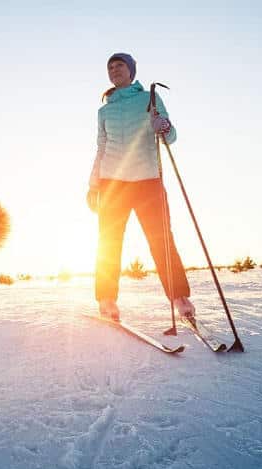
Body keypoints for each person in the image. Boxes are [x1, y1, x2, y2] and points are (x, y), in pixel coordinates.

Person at [86, 52, 195, 321]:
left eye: (119, 65)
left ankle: (179, 297)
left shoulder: (150, 98)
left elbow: (171, 136)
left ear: (131, 70)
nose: (114, 70)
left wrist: (163, 126)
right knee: (109, 242)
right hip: (112, 184)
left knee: (161, 239)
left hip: (147, 180)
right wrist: (93, 186)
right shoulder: (104, 111)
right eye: (110, 67)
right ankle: (106, 299)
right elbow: (101, 149)